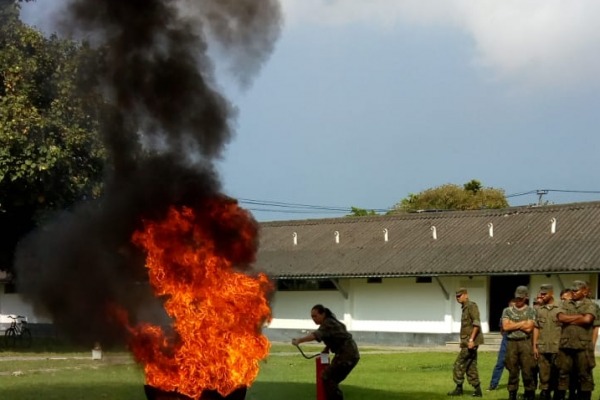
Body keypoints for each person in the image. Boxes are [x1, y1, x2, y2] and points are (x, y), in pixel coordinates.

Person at [291, 304, 360, 400]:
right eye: (312, 317)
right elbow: (335, 336)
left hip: (346, 354)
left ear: (323, 314)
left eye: (315, 316)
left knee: (327, 377)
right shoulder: (331, 322)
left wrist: (299, 340)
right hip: (349, 353)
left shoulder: (327, 323)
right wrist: (327, 349)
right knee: (331, 379)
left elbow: (315, 335)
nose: (313, 319)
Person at [554, 280, 597, 400]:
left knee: (584, 375)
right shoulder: (565, 304)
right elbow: (560, 317)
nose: (573, 293)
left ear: (584, 291)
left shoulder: (591, 305)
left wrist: (569, 319)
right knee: (563, 373)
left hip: (583, 346)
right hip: (565, 345)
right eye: (572, 290)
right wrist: (580, 317)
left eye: (576, 290)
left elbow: (587, 320)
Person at [502, 285, 537, 400]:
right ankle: (512, 394)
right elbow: (506, 327)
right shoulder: (507, 311)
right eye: (517, 298)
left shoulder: (531, 311)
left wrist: (514, 324)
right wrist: (522, 323)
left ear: (526, 297)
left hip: (525, 343)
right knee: (512, 371)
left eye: (521, 298)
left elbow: (529, 328)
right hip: (512, 343)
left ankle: (529, 393)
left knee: (528, 371)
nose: (518, 300)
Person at [447, 288, 483, 397]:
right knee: (470, 366)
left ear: (466, 295)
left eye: (460, 295)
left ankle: (459, 389)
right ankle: (478, 390)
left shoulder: (471, 306)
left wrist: (471, 340)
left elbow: (476, 324)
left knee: (458, 364)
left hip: (470, 342)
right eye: (457, 296)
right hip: (467, 341)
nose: (458, 298)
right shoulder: (465, 308)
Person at [532, 284, 561, 400]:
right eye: (541, 294)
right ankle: (545, 393)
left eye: (545, 294)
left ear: (551, 293)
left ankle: (557, 394)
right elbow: (536, 328)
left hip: (557, 346)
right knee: (543, 373)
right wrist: (535, 346)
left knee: (557, 373)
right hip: (543, 347)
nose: (542, 296)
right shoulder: (540, 310)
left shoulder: (561, 308)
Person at [487, 299, 514, 391]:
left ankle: (513, 385)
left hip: (515, 341)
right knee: (500, 363)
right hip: (506, 340)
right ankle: (493, 384)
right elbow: (502, 330)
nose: (511, 308)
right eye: (510, 306)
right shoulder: (504, 317)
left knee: (515, 365)